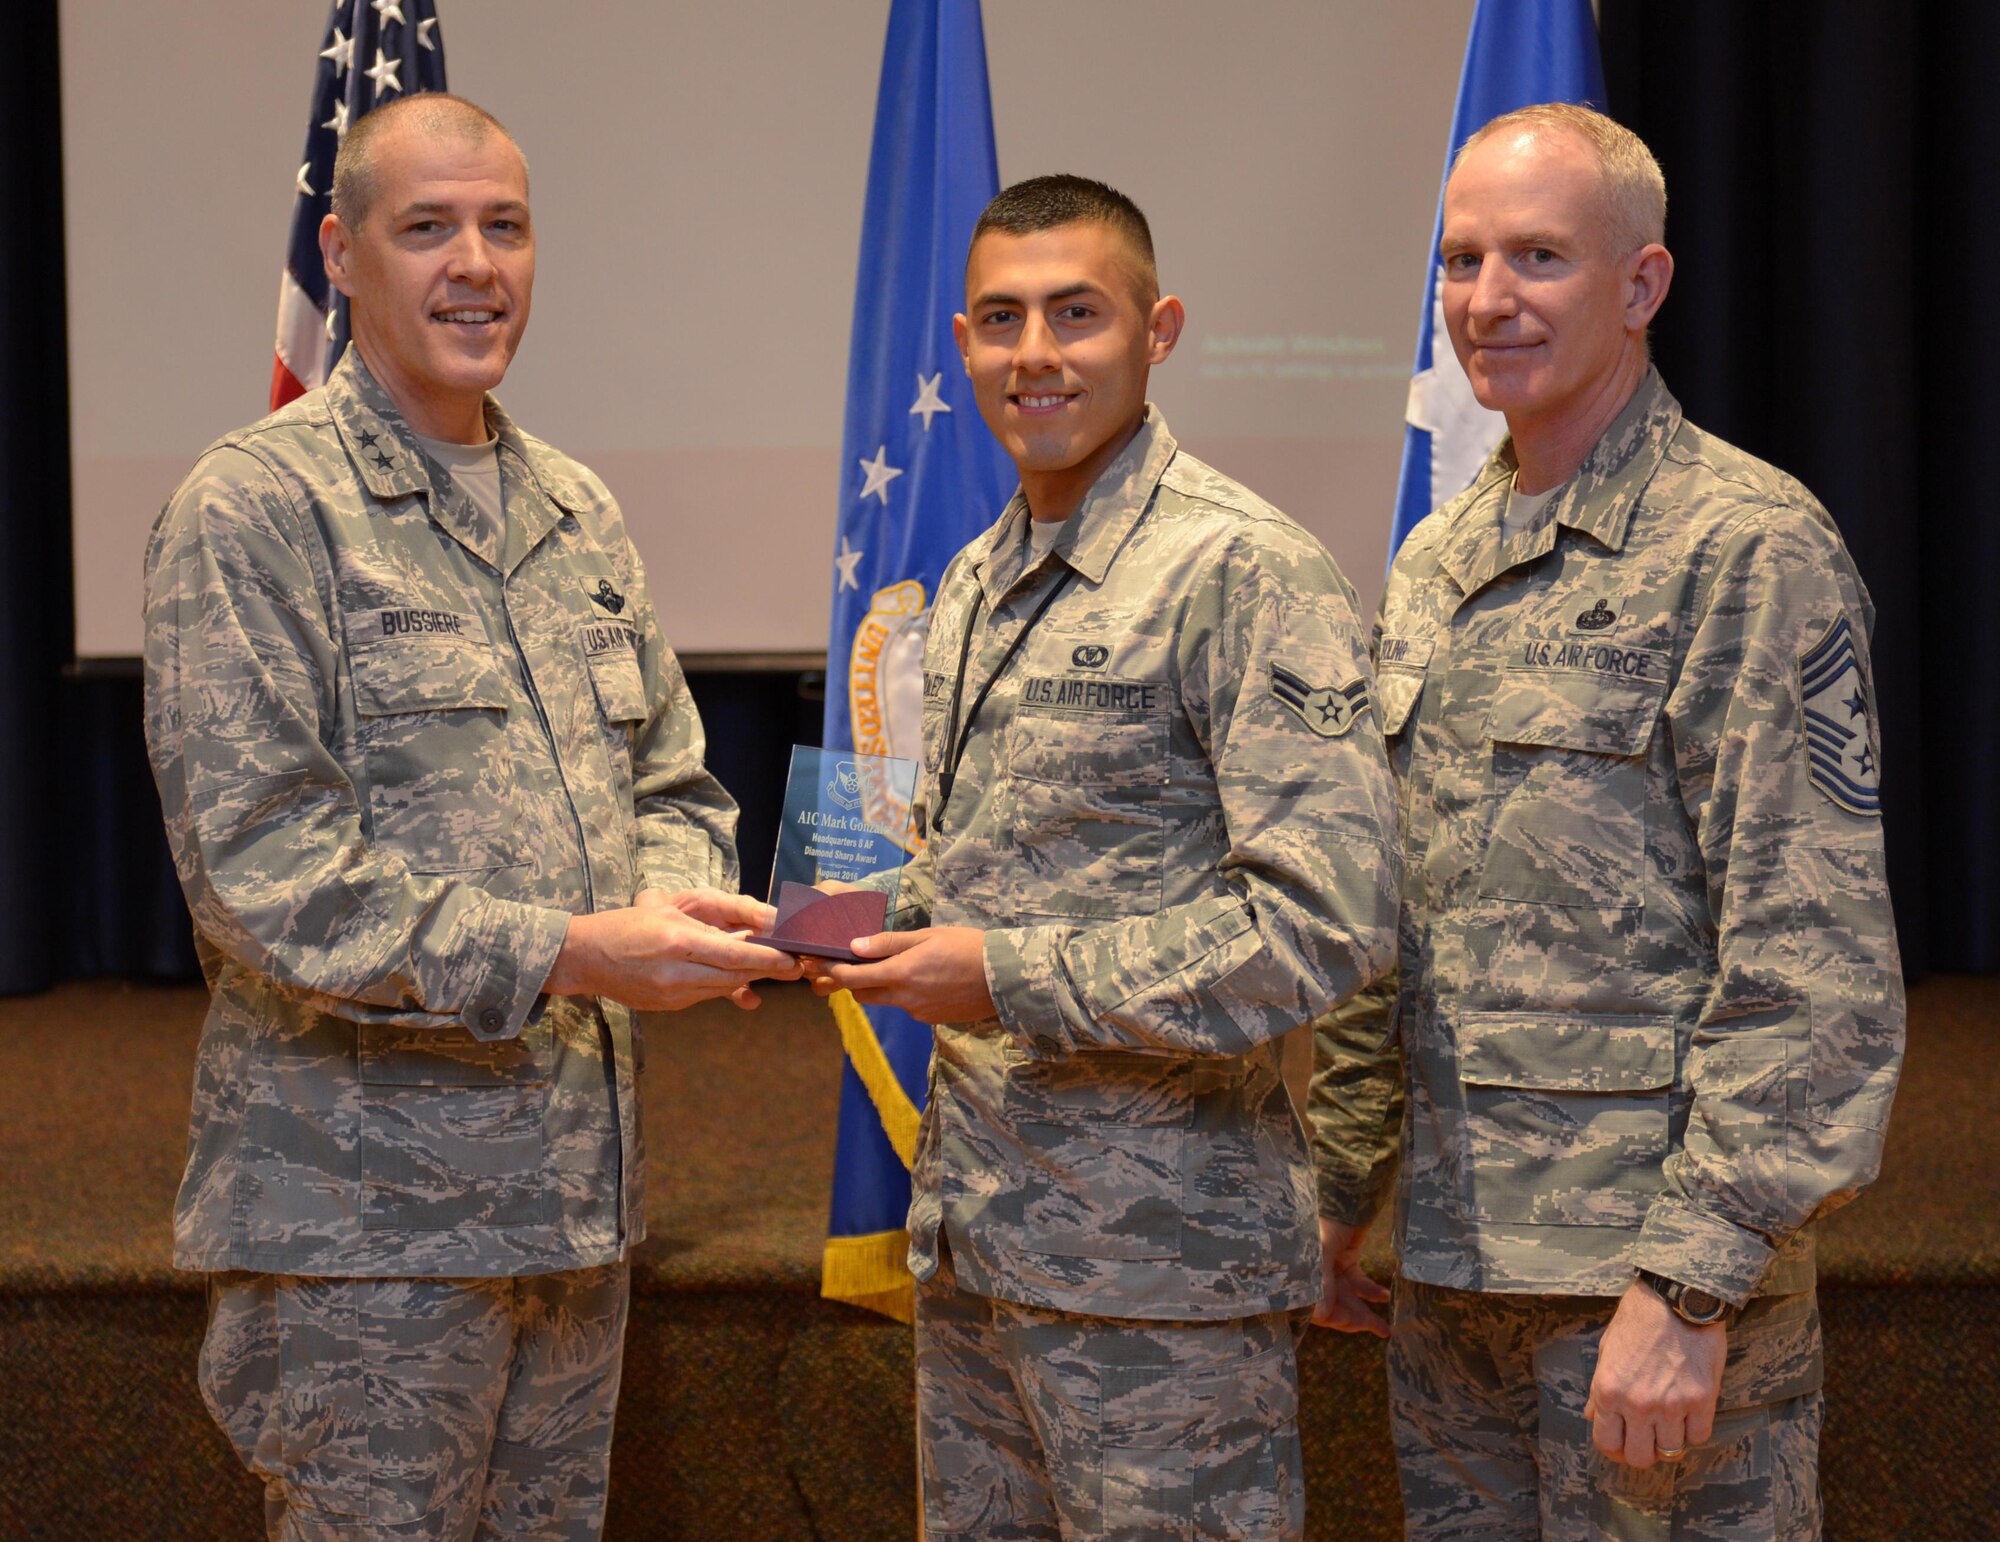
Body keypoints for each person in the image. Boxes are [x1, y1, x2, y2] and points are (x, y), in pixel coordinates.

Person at [142, 93, 798, 1540]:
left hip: (573, 1218)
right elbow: (263, 876)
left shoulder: (576, 506)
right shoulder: (254, 511)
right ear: (343, 253)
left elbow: (673, 781)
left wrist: (683, 910)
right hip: (366, 1236)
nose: (476, 265)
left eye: (505, 225)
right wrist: (576, 948)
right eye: (427, 226)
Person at [1310, 103, 1905, 1538]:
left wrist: (1693, 1285)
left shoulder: (1747, 551)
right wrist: (1338, 1187)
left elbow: (1814, 967)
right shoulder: (1443, 557)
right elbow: (1398, 918)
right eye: (1460, 261)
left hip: (1648, 1292)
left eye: (1537, 257)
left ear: (1641, 285)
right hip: (1453, 1286)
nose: (1487, 299)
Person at [805, 175, 1400, 1540]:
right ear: (961, 343)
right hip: (978, 1255)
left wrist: (1008, 975)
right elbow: (957, 871)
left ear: (1158, 328)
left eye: (1077, 313)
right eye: (1004, 319)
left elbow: (1329, 919)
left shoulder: (1243, 572)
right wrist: (796, 928)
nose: (1037, 354)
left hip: (1159, 1282)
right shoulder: (969, 580)